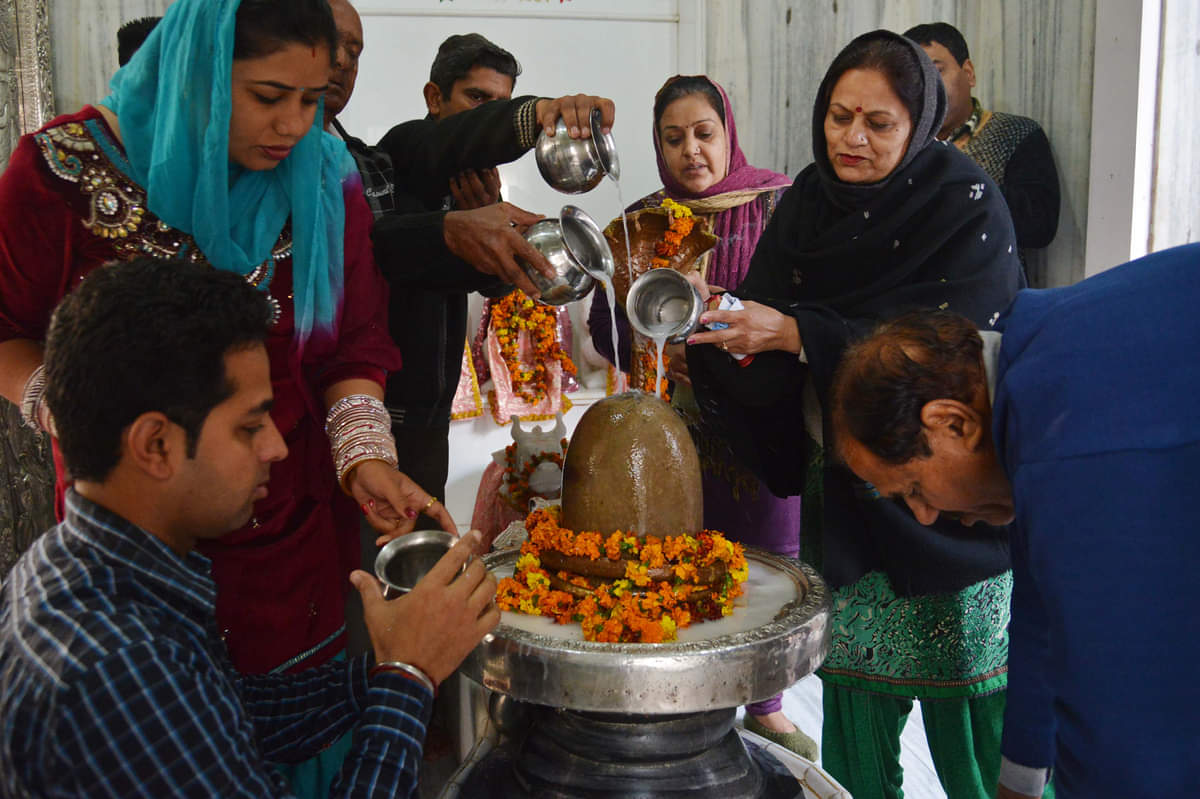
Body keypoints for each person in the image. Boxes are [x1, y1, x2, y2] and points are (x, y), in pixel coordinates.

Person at [0, 0, 451, 793]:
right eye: (268, 95)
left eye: (313, 100)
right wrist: (79, 409)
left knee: (292, 737)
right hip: (143, 518)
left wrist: (363, 454)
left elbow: (350, 345)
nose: (293, 126)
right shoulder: (59, 174)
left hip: (291, 533)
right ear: (198, 73)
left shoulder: (321, 175)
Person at [0, 257, 500, 798]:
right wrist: (409, 674)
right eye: (249, 426)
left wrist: (388, 659)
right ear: (155, 445)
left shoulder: (97, 567)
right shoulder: (114, 666)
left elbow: (239, 711)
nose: (277, 447)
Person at [684, 31, 1025, 799]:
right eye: (840, 117)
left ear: (921, 125)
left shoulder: (966, 204)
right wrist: (729, 320)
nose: (853, 139)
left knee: (976, 730)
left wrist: (801, 332)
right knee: (857, 719)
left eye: (879, 123)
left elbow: (962, 354)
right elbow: (772, 308)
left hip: (951, 509)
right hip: (846, 490)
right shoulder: (810, 202)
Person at [830, 242, 1200, 799]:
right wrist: (1020, 783)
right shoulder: (1034, 371)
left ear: (952, 424)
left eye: (912, 488)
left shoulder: (1069, 446)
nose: (925, 515)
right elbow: (1040, 622)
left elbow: (1123, 721)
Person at [585, 75, 813, 756]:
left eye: (704, 133)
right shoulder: (639, 222)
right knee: (676, 544)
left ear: (728, 133)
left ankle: (767, 701)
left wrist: (725, 330)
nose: (691, 151)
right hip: (672, 423)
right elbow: (604, 326)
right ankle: (688, 695)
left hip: (762, 418)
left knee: (768, 552)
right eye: (673, 137)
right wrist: (658, 345)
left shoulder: (780, 206)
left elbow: (807, 304)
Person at [369, 33, 614, 535]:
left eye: (499, 105)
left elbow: (478, 283)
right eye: (476, 99)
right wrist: (539, 113)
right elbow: (454, 141)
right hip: (380, 414)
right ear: (435, 99)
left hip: (429, 424)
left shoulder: (473, 184)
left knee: (425, 564)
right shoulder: (405, 151)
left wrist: (492, 234)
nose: (485, 116)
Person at [903, 22, 1060, 262]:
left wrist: (961, 185)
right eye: (914, 78)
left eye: (937, 72)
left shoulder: (1014, 133)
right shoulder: (896, 141)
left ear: (968, 73)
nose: (927, 88)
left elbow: (1040, 227)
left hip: (989, 289)